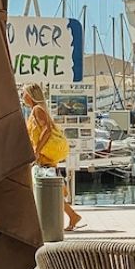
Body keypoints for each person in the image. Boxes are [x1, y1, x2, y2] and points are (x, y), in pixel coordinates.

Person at [22, 83, 81, 230]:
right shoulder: (35, 110)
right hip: (45, 156)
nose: (22, 96)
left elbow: (47, 130)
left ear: (30, 95)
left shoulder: (37, 109)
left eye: (24, 93)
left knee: (47, 187)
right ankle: (72, 215)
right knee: (49, 188)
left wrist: (37, 149)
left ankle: (71, 216)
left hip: (44, 155)